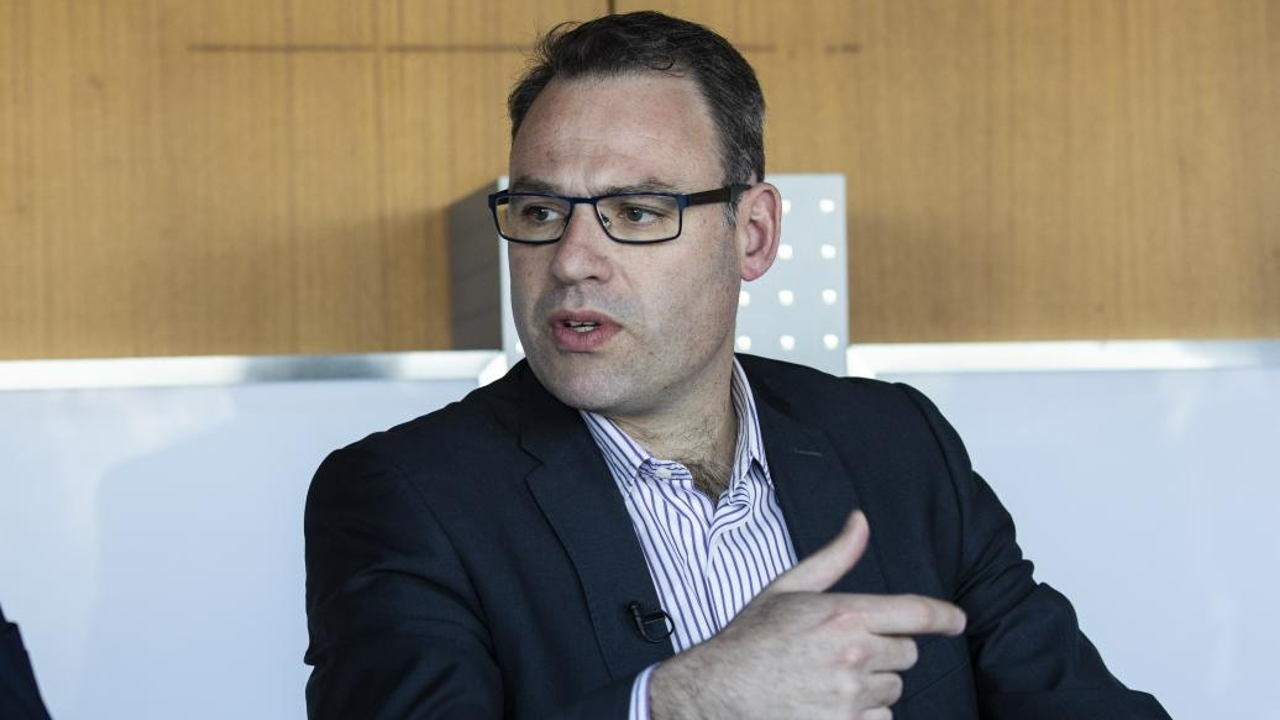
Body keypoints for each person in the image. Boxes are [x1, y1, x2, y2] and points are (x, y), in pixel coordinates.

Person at [303, 11, 1170, 720]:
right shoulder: (401, 497)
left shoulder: (897, 443)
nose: (570, 261)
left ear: (752, 234)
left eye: (637, 212)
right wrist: (682, 704)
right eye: (539, 211)